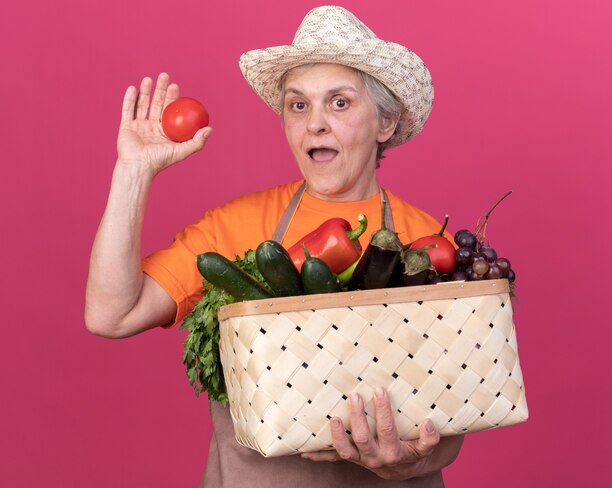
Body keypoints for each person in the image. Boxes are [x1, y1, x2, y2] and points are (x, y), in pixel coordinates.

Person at [85, 5, 464, 487]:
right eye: (298, 104)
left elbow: (455, 418)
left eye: (340, 102)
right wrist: (132, 174)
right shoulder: (235, 228)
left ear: (385, 123)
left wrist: (409, 460)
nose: (315, 124)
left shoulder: (428, 246)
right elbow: (110, 314)